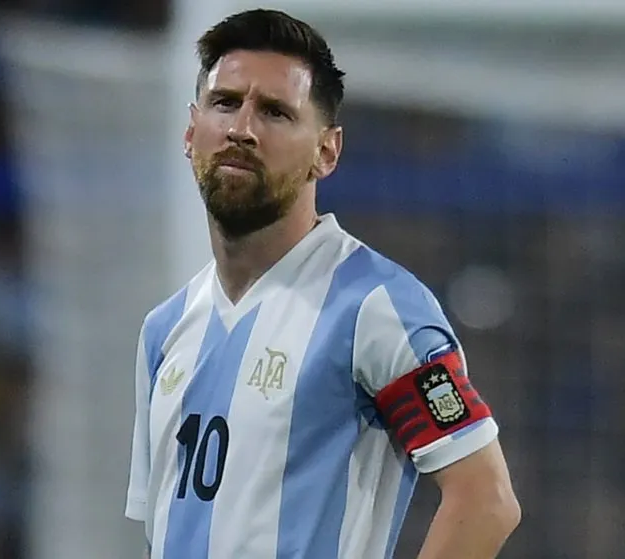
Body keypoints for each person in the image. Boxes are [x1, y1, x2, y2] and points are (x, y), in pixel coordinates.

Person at [125, 9, 520, 558]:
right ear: (192, 132)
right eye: (225, 103)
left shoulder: (375, 307)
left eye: (275, 112)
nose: (242, 129)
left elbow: (486, 500)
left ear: (326, 151)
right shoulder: (163, 330)